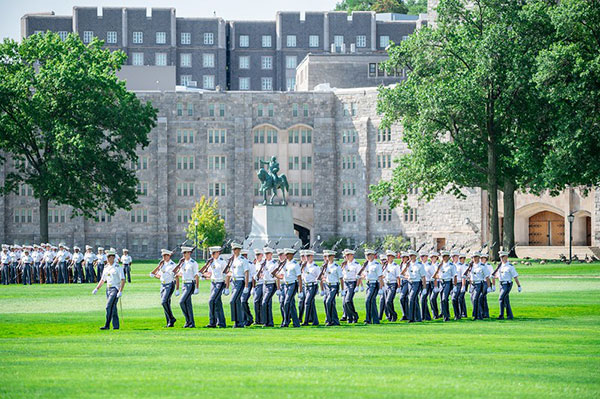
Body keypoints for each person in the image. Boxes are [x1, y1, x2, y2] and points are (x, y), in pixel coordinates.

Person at [92, 249, 125, 330]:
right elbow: (103, 279)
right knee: (113, 308)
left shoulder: (118, 267)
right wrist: (97, 288)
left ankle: (107, 325)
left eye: (108, 257)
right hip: (108, 289)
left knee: (108, 306)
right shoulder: (106, 267)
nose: (106, 258)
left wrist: (120, 291)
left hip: (115, 289)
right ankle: (116, 326)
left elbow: (123, 279)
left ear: (112, 258)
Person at [150, 249, 179, 327]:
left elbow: (174, 276)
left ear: (169, 256)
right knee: (166, 304)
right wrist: (158, 267)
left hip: (169, 284)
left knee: (164, 302)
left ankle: (171, 318)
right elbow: (155, 274)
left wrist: (177, 289)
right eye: (163, 256)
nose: (164, 257)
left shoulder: (172, 264)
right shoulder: (163, 264)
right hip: (162, 285)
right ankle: (169, 322)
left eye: (166, 255)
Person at [201, 246, 227, 328]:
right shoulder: (212, 262)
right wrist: (203, 275)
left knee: (211, 301)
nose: (212, 255)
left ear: (218, 253)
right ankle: (221, 323)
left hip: (220, 283)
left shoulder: (222, 262)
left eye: (213, 253)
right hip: (213, 283)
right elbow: (209, 273)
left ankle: (212, 322)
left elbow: (227, 273)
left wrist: (226, 287)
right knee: (218, 303)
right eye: (211, 253)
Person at [462, 252, 491, 320]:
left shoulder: (482, 266)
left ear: (479, 258)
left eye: (476, 257)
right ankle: (479, 315)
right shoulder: (471, 266)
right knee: (473, 299)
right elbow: (469, 276)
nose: (475, 258)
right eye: (473, 257)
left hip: (479, 284)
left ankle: (475, 315)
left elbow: (487, 277)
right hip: (472, 284)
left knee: (475, 299)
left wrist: (489, 286)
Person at [277, 248, 302, 328]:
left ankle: (286, 321)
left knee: (286, 302)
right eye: (286, 254)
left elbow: (299, 278)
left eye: (288, 254)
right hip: (285, 285)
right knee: (290, 304)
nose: (286, 256)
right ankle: (296, 322)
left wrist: (300, 290)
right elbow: (281, 275)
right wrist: (275, 275)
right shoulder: (284, 264)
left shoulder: (295, 264)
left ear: (291, 255)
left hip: (292, 284)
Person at [228, 243, 250, 328]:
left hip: (240, 281)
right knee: (236, 302)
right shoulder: (233, 260)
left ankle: (238, 321)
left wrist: (246, 286)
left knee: (233, 301)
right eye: (233, 249)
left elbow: (246, 273)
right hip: (233, 282)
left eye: (235, 249)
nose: (234, 251)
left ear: (239, 250)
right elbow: (230, 272)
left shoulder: (243, 260)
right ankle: (238, 322)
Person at [177, 246, 199, 328]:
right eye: (183, 253)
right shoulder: (183, 263)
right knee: (188, 304)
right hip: (184, 284)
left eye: (185, 253)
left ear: (189, 253)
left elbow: (196, 276)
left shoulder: (193, 263)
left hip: (190, 284)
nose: (183, 255)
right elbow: (181, 273)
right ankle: (190, 323)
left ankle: (188, 321)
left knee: (181, 302)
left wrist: (197, 287)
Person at [496, 250, 522, 320]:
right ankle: (509, 316)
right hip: (501, 284)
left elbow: (515, 276)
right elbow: (498, 275)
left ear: (506, 257)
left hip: (507, 284)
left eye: (503, 257)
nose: (501, 258)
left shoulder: (510, 266)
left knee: (501, 298)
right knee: (506, 300)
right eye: (500, 257)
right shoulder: (500, 265)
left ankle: (501, 315)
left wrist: (519, 286)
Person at [361, 249, 384, 324]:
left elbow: (380, 277)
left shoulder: (376, 265)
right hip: (368, 284)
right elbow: (365, 275)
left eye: (369, 255)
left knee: (368, 300)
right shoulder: (366, 264)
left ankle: (368, 319)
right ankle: (375, 320)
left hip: (374, 284)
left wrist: (381, 288)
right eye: (366, 255)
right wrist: (360, 277)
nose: (367, 256)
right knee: (372, 302)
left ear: (373, 255)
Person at [404, 250, 427, 323]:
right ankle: (418, 318)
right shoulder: (408, 265)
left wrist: (424, 288)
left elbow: (423, 277)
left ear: (415, 256)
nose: (410, 257)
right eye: (409, 256)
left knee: (411, 298)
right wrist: (406, 269)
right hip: (410, 283)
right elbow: (403, 274)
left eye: (411, 256)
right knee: (415, 300)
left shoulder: (419, 265)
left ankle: (411, 318)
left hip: (417, 283)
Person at [322, 249, 342, 326]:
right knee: (329, 303)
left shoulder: (336, 266)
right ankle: (334, 321)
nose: (328, 257)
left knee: (328, 302)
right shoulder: (325, 266)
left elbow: (341, 278)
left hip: (334, 286)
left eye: (329, 256)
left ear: (333, 256)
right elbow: (324, 276)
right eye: (326, 256)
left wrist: (342, 290)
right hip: (327, 286)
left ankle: (330, 320)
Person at [260, 247, 279, 327]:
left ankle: (265, 321)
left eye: (268, 254)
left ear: (271, 254)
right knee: (268, 303)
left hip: (271, 284)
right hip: (265, 283)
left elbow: (277, 276)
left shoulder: (274, 263)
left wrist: (278, 288)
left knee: (264, 302)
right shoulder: (264, 263)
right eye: (265, 254)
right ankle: (270, 322)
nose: (266, 255)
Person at [301, 249, 320, 326]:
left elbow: (319, 277)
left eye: (308, 256)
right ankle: (315, 321)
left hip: (312, 285)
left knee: (307, 302)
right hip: (306, 286)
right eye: (306, 256)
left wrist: (320, 288)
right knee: (311, 303)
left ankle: (306, 321)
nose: (307, 258)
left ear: (312, 256)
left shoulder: (315, 267)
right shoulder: (304, 266)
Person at [437, 250, 457, 322]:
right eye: (443, 257)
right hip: (441, 282)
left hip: (448, 282)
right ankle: (446, 315)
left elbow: (455, 276)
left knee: (444, 299)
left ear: (448, 257)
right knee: (442, 300)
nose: (444, 258)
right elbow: (437, 275)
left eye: (445, 256)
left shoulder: (451, 265)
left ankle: (446, 316)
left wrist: (454, 286)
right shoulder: (440, 265)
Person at [341, 249, 360, 324]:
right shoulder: (344, 264)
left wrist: (358, 286)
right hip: (346, 283)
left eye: (348, 255)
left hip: (352, 282)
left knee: (348, 300)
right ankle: (350, 317)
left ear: (352, 255)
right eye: (346, 255)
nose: (347, 257)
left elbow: (358, 276)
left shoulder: (356, 264)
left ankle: (354, 315)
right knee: (345, 302)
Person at [382, 250, 401, 322]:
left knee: (388, 301)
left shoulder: (396, 266)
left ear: (393, 257)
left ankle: (394, 314)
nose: (388, 257)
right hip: (386, 284)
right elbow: (383, 275)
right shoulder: (385, 265)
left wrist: (399, 287)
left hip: (393, 284)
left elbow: (398, 277)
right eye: (387, 256)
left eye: (389, 256)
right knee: (389, 302)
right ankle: (390, 316)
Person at [240, 249, 254, 326]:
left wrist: (254, 287)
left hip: (248, 283)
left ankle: (249, 318)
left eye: (244, 255)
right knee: (240, 301)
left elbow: (253, 276)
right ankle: (243, 319)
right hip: (239, 283)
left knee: (243, 301)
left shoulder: (250, 264)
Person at [252, 248, 265, 325]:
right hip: (257, 285)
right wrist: (253, 287)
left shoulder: (264, 263)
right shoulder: (255, 264)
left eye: (258, 255)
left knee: (258, 301)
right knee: (257, 302)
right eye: (256, 255)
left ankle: (261, 319)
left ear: (262, 255)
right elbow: (253, 276)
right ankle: (258, 319)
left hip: (262, 284)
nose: (257, 256)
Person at [480, 252, 494, 318]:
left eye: (484, 258)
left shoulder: (488, 266)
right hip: (480, 282)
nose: (482, 259)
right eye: (481, 258)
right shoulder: (479, 265)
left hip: (486, 283)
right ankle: (482, 312)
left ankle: (485, 313)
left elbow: (492, 276)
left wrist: (492, 286)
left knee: (483, 297)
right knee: (481, 298)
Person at [420, 251, 433, 321]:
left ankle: (422, 316)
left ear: (426, 257)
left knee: (423, 299)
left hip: (427, 283)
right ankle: (427, 316)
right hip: (420, 284)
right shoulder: (419, 264)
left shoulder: (429, 265)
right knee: (423, 300)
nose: (422, 258)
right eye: (421, 256)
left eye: (423, 256)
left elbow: (433, 275)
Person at [398, 251, 410, 320]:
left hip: (407, 282)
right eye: (402, 257)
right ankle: (405, 314)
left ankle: (406, 314)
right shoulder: (402, 264)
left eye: (404, 257)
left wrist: (404, 276)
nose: (402, 259)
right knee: (404, 299)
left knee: (402, 298)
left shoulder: (408, 265)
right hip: (402, 282)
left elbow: (409, 275)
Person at [428, 251, 441, 319]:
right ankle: (434, 314)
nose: (433, 258)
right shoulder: (429, 265)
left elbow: (439, 275)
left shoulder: (438, 265)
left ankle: (436, 314)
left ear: (437, 258)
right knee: (431, 299)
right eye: (432, 257)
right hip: (430, 283)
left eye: (434, 257)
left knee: (432, 298)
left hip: (438, 283)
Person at [297, 250, 308, 323]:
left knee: (308, 303)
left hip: (307, 285)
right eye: (301, 256)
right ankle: (300, 318)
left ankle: (310, 318)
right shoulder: (299, 265)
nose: (302, 258)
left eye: (304, 256)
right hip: (301, 285)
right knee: (300, 303)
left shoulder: (309, 265)